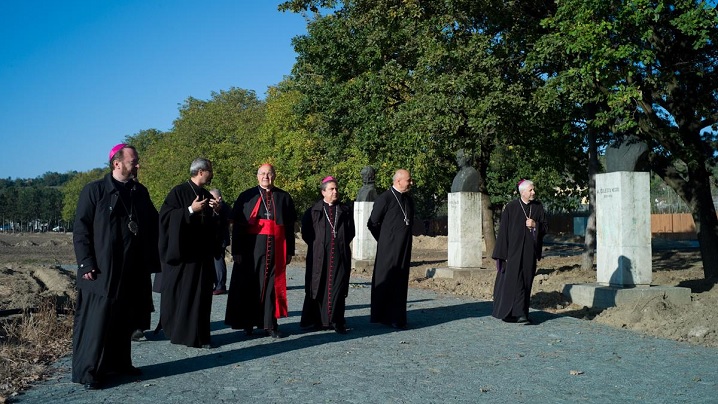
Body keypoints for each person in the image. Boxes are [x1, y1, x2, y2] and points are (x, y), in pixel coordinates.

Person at [72, 143, 160, 389]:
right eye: (134, 161)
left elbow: (155, 223)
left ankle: (120, 364)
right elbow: (81, 230)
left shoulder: (139, 192)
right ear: (117, 163)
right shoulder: (95, 191)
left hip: (131, 269)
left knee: (124, 319)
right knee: (97, 323)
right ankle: (90, 372)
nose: (138, 165)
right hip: (101, 270)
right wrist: (85, 262)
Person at [225, 164, 297, 338]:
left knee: (272, 286)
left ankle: (270, 324)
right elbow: (238, 227)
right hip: (251, 249)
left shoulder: (284, 197)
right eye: (263, 174)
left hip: (277, 250)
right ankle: (247, 323)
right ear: (257, 176)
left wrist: (290, 251)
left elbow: (289, 228)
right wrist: (236, 251)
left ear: (275, 175)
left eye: (269, 173)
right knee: (249, 285)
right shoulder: (246, 196)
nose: (266, 176)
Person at [158, 158, 222, 348]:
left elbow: (210, 225)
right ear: (201, 172)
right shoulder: (179, 192)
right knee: (186, 295)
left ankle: (201, 335)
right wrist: (189, 210)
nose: (212, 173)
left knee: (202, 296)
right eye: (210, 170)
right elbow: (166, 218)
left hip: (202, 255)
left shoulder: (205, 194)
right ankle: (184, 335)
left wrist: (217, 211)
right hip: (185, 256)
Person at [300, 176, 356, 334]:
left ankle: (336, 320)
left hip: (340, 255)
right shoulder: (313, 211)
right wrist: (320, 245)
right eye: (331, 189)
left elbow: (351, 232)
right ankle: (318, 320)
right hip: (318, 256)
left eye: (336, 188)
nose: (335, 191)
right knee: (318, 286)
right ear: (323, 192)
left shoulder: (344, 210)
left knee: (338, 287)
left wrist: (338, 243)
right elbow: (307, 233)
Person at [491, 179, 548, 324]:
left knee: (526, 281)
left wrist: (535, 225)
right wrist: (502, 255)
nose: (533, 192)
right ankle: (516, 313)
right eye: (531, 190)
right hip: (513, 253)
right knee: (515, 282)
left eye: (533, 190)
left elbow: (545, 228)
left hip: (530, 252)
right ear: (523, 192)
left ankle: (522, 312)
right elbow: (503, 232)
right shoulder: (511, 207)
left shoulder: (538, 207)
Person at [367, 169, 414, 329]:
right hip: (388, 249)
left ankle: (398, 317)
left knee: (400, 281)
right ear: (398, 181)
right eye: (409, 180)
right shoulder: (385, 198)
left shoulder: (408, 200)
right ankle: (384, 316)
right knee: (388, 281)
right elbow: (372, 222)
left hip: (404, 248)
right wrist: (384, 239)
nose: (411, 183)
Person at [209, 188, 232, 295]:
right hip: (213, 239)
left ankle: (220, 285)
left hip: (220, 239)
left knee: (218, 261)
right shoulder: (212, 208)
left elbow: (223, 223)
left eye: (213, 198)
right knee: (213, 262)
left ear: (219, 198)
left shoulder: (224, 207)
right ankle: (215, 284)